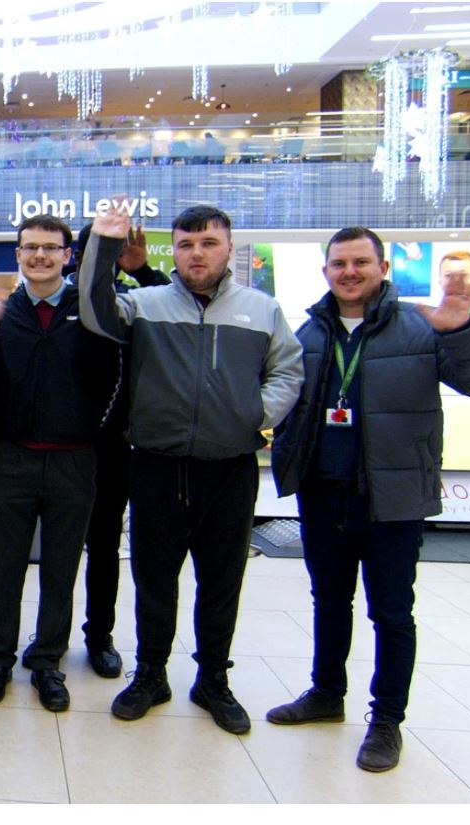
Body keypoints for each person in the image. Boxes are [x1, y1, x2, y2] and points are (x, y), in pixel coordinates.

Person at [267, 227, 470, 772]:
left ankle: (386, 721)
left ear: (383, 269)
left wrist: (463, 328)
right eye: (338, 264)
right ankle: (326, 694)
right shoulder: (309, 331)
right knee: (328, 601)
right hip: (323, 493)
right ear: (326, 271)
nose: (348, 272)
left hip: (393, 497)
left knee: (392, 613)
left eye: (360, 262)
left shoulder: (423, 328)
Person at [79, 203, 303, 734]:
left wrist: (253, 414)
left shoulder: (261, 309)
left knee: (222, 581)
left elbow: (287, 371)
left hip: (230, 468)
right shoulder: (145, 303)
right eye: (186, 244)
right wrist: (105, 246)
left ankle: (213, 680)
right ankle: (152, 674)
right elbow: (93, 310)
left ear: (228, 247)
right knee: (154, 578)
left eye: (207, 243)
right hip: (156, 465)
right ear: (172, 250)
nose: (196, 253)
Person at [0, 217, 121, 711]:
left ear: (68, 255)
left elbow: (111, 374)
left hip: (75, 462)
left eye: (51, 248)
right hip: (14, 462)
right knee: (4, 567)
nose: (40, 256)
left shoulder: (88, 310)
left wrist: (95, 433)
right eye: (30, 248)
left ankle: (47, 661)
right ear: (18, 255)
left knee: (60, 571)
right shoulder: (4, 313)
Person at [72, 221, 171, 680]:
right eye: (100, 249)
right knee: (56, 549)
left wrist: (144, 269)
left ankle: (99, 636)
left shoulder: (139, 300)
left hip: (114, 447)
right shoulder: (61, 297)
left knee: (105, 547)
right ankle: (46, 634)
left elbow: (180, 312)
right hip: (59, 445)